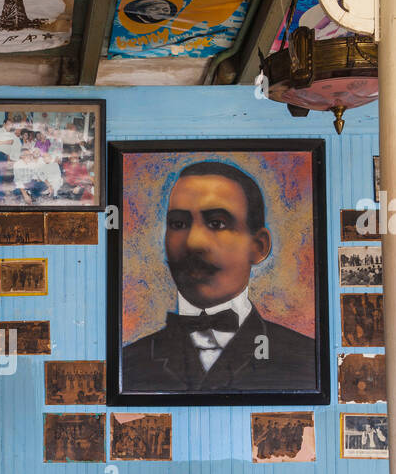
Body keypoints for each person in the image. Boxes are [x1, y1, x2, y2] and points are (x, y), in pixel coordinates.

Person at [121, 160, 317, 393]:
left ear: (258, 246)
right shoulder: (127, 364)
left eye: (217, 223)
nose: (194, 242)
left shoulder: (306, 359)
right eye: (178, 223)